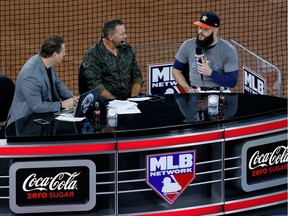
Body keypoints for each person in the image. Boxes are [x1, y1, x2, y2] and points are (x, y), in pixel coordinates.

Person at [6, 36, 78, 127]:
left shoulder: (46, 62)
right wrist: (62, 104)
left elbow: (57, 83)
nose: (65, 54)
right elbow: (37, 107)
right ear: (54, 55)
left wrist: (73, 99)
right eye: (63, 52)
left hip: (42, 116)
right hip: (25, 123)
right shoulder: (30, 75)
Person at [172, 11, 238, 93]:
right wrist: (188, 89)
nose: (201, 32)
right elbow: (176, 70)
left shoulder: (228, 50)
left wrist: (211, 73)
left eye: (206, 29)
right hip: (196, 92)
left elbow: (232, 82)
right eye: (200, 27)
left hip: (219, 93)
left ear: (215, 30)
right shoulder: (188, 45)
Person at [82, 19, 144, 100]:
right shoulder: (94, 54)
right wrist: (116, 102)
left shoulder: (127, 49)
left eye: (125, 32)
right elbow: (96, 86)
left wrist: (133, 99)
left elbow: (137, 77)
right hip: (107, 102)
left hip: (130, 100)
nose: (126, 36)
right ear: (110, 37)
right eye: (122, 34)